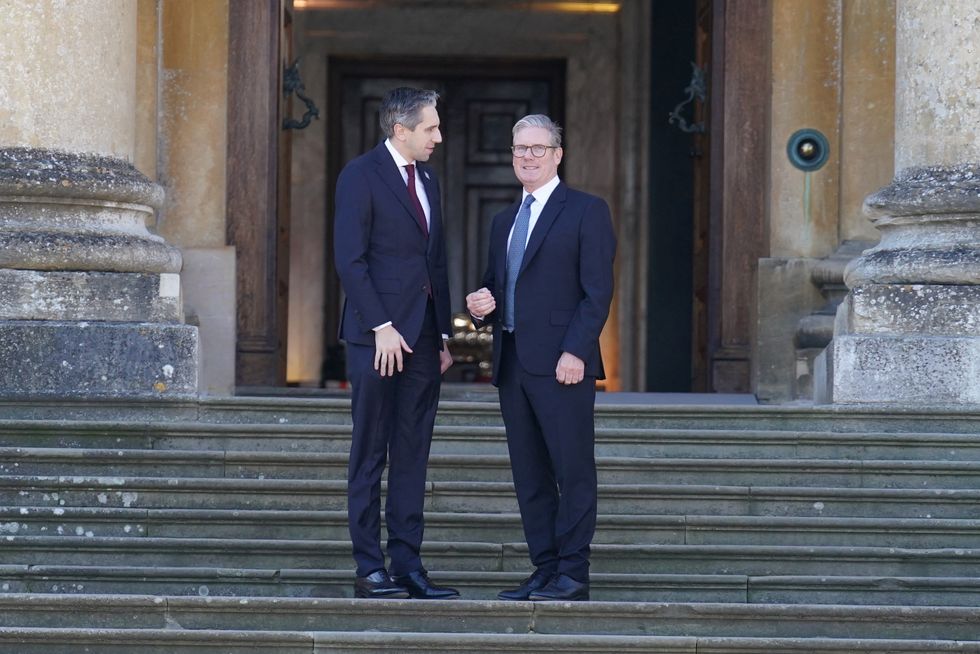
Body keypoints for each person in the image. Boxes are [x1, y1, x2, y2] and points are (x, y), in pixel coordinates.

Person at [466, 114, 616, 602]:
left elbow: (597, 293)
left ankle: (573, 572)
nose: (526, 156)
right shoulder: (503, 220)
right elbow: (496, 283)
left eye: (537, 148)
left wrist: (576, 350)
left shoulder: (586, 211)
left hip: (562, 365)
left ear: (557, 154)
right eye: (518, 149)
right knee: (529, 475)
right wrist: (481, 304)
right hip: (512, 366)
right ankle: (545, 568)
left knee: (572, 470)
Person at [334, 87, 458, 600]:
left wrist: (445, 334)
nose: (439, 136)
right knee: (370, 453)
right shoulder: (359, 175)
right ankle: (370, 568)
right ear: (400, 129)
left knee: (413, 454)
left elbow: (436, 259)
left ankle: (408, 565)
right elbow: (351, 259)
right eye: (430, 128)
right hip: (377, 338)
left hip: (424, 339)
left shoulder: (427, 177)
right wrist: (380, 325)